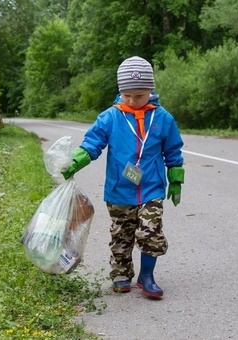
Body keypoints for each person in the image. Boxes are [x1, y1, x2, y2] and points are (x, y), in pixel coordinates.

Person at [62, 56, 184, 299]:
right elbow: (92, 144)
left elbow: (173, 150)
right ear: (120, 91)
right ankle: (121, 273)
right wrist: (75, 161)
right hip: (120, 189)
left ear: (151, 89)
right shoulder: (110, 117)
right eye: (127, 95)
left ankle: (147, 277)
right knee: (122, 233)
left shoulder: (163, 118)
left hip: (151, 188)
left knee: (151, 231)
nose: (132, 100)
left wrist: (176, 178)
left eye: (139, 95)